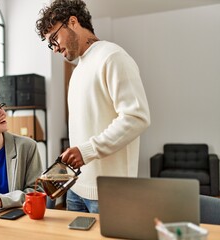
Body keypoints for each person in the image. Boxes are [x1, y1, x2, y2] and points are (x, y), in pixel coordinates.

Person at [36, 0, 151, 213]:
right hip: (75, 188)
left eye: (54, 38)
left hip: (110, 194)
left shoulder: (112, 56)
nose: (54, 48)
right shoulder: (78, 71)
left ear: (73, 22)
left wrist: (87, 150)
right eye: (49, 44)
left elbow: (136, 117)